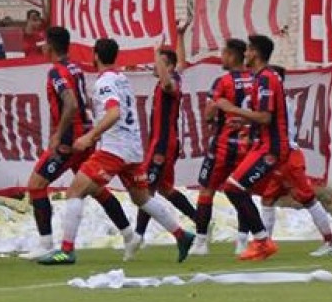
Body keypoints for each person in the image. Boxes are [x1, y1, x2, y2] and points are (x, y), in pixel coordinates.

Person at [38, 38, 193, 266]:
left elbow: (114, 113)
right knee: (141, 197)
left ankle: (66, 251)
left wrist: (90, 136)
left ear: (96, 56)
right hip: (133, 147)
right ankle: (181, 234)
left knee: (74, 193)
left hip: (115, 148)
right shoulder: (122, 79)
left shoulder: (105, 83)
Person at [21, 25, 134, 260]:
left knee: (36, 184)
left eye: (44, 45)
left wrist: (58, 135)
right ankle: (128, 234)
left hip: (70, 140)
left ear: (50, 47)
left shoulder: (57, 72)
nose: (42, 49)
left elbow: (71, 103)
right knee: (95, 189)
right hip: (85, 133)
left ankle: (46, 244)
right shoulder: (76, 68)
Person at [215, 34, 289, 261]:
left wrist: (234, 110)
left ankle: (262, 241)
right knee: (238, 189)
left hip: (271, 147)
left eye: (247, 50)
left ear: (255, 53)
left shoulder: (266, 79)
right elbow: (265, 117)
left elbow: (266, 117)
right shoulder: (260, 78)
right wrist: (246, 121)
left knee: (234, 187)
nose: (245, 54)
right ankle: (260, 240)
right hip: (263, 144)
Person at [124, 35, 199, 260]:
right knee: (165, 189)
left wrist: (158, 54)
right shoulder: (173, 76)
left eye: (158, 63)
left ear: (167, 66)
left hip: (162, 147)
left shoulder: (169, 83)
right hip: (162, 144)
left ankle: (137, 237)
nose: (154, 67)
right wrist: (181, 36)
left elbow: (170, 79)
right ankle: (201, 222)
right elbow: (181, 64)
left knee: (145, 191)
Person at [256, 65, 332, 257]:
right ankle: (265, 246)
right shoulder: (279, 99)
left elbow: (264, 120)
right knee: (267, 199)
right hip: (275, 156)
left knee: (308, 199)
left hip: (287, 156)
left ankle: (330, 243)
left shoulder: (278, 101)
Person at [189, 38, 255, 256]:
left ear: (233, 56)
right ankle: (242, 242)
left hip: (223, 146)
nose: (221, 58)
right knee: (242, 192)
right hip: (248, 145)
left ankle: (201, 243)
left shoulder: (223, 82)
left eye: (224, 53)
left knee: (206, 190)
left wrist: (214, 114)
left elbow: (209, 114)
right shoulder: (257, 80)